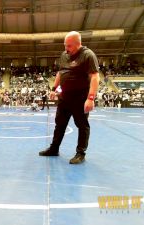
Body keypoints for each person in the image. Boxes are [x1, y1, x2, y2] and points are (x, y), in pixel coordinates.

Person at [39, 31, 100, 164]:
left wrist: (90, 98)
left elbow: (95, 77)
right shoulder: (64, 55)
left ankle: (80, 153)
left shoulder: (88, 55)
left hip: (80, 98)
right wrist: (54, 89)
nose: (66, 49)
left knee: (82, 126)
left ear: (78, 44)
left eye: (69, 46)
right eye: (65, 45)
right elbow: (60, 73)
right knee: (59, 124)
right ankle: (54, 149)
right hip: (64, 97)